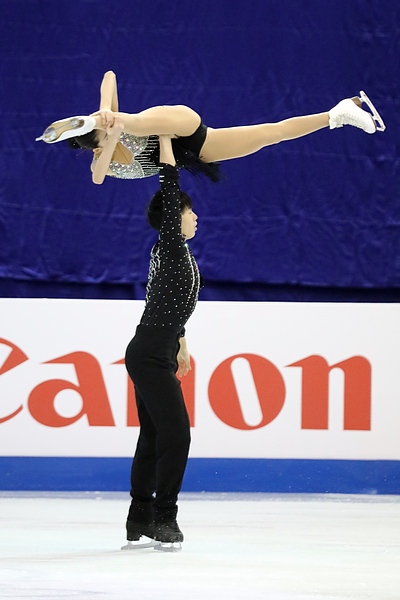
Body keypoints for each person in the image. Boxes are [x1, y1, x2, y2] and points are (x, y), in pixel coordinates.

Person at [35, 71, 386, 185]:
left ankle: (98, 118)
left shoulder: (117, 122)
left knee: (134, 121)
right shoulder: (104, 161)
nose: (109, 130)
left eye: (103, 127)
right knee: (270, 134)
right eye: (99, 132)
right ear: (91, 144)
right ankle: (337, 114)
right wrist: (109, 134)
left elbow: (110, 76)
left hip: (178, 123)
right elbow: (97, 177)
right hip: (195, 147)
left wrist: (104, 112)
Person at [122, 134, 200, 551]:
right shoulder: (171, 243)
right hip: (150, 351)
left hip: (157, 347)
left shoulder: (173, 254)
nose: (194, 217)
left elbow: (165, 299)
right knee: (177, 434)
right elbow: (169, 187)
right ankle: (164, 516)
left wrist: (181, 343)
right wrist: (167, 140)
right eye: (189, 211)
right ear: (175, 217)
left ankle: (139, 517)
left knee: (154, 436)